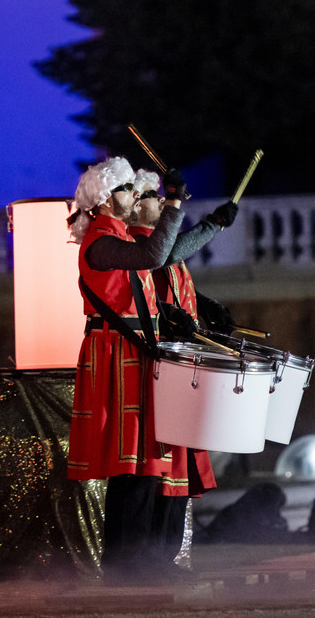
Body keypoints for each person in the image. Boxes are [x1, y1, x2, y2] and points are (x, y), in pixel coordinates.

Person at [66, 156, 213, 583]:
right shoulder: (100, 241)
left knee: (144, 466)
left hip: (133, 357)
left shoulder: (114, 237)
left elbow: (151, 266)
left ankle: (143, 563)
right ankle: (127, 566)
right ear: (103, 200)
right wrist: (174, 204)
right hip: (117, 358)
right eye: (126, 189)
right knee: (131, 467)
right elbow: (153, 254)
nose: (133, 195)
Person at [129, 169, 239, 335]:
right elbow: (170, 253)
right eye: (152, 194)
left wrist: (205, 305)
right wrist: (214, 223)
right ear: (135, 204)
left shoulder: (158, 238)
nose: (162, 199)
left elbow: (175, 285)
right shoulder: (133, 242)